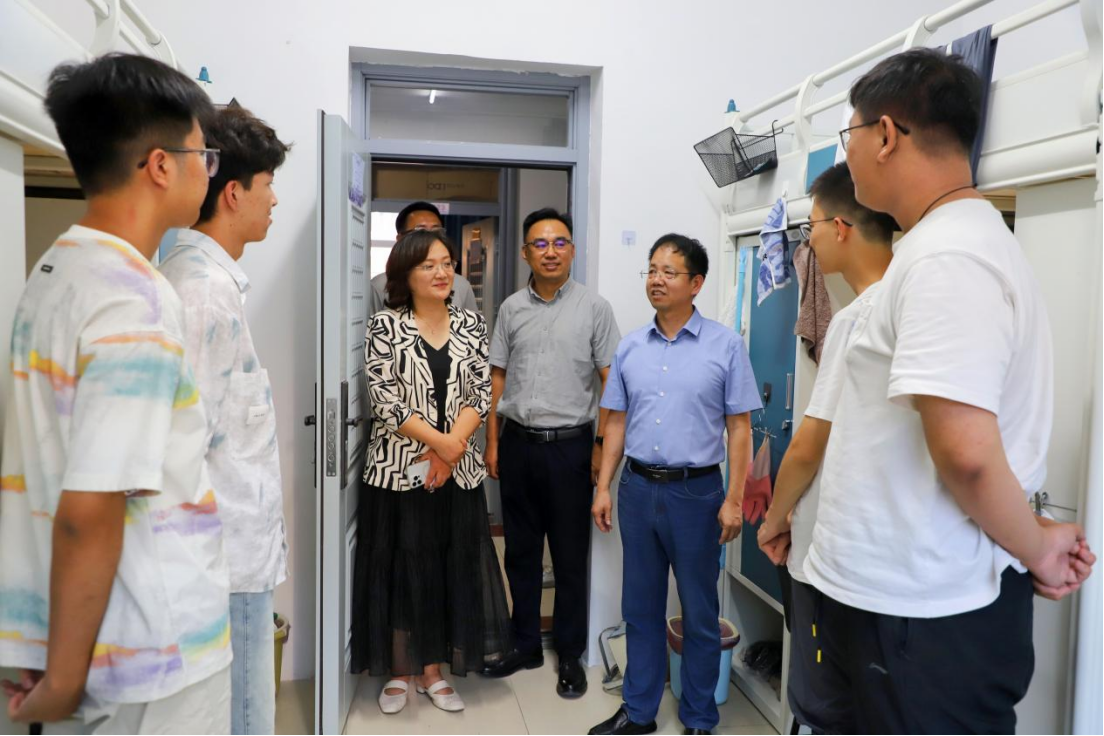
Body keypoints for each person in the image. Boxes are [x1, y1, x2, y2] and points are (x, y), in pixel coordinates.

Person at [793, 48, 1096, 734]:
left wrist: (1036, 549)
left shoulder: (948, 257)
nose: (849, 152)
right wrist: (1032, 537)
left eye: (850, 134)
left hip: (923, 616)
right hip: (899, 602)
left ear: (885, 135)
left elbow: (967, 453)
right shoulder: (936, 249)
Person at [0, 54, 232, 734]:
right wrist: (64, 679)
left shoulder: (57, 269)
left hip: (85, 631)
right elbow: (92, 504)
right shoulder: (136, 300)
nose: (209, 172)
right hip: (154, 650)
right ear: (161, 165)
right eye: (204, 155)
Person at [590, 235, 760, 736]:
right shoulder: (630, 347)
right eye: (651, 270)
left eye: (669, 271)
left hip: (697, 494)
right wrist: (603, 487)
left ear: (696, 283)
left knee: (699, 611)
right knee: (639, 607)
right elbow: (616, 422)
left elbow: (740, 429)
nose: (656, 279)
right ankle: (639, 711)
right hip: (638, 489)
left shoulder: (725, 346)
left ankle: (700, 717)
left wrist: (734, 500)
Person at [158, 105, 291, 735]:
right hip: (225, 566)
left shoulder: (215, 283)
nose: (275, 200)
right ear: (233, 193)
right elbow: (176, 454)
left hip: (239, 559)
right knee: (245, 719)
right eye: (268, 185)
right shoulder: (201, 293)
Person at [753, 162, 895, 729]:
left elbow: (809, 444)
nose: (806, 241)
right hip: (874, 560)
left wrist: (775, 519)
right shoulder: (905, 302)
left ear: (839, 227)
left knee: (825, 703)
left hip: (838, 560)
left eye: (810, 226)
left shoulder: (860, 317)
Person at [351, 229, 512, 715]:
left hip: (456, 473)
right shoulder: (385, 325)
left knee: (449, 568)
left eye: (447, 263)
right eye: (429, 265)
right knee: (402, 568)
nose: (443, 273)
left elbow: (480, 392)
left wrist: (448, 452)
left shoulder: (471, 323)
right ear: (405, 274)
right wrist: (440, 444)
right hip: (399, 471)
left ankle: (433, 670)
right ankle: (400, 670)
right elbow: (384, 399)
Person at [481, 208, 621, 698]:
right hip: (517, 444)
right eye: (540, 244)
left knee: (568, 557)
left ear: (573, 250)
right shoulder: (510, 309)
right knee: (519, 553)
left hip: (571, 449)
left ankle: (570, 654)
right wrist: (492, 442)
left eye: (560, 242)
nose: (551, 251)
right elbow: (497, 377)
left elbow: (611, 383)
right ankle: (524, 644)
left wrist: (600, 448)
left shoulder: (594, 308)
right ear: (525, 253)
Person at [368, 201, 477, 314]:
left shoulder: (461, 285)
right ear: (400, 239)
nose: (429, 238)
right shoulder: (379, 286)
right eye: (420, 232)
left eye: (437, 231)